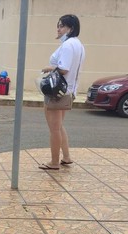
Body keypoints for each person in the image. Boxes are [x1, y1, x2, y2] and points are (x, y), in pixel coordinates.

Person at [39, 14, 85, 170]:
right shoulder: (78, 44)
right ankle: (66, 157)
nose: (58, 29)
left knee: (54, 129)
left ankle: (54, 162)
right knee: (59, 126)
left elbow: (64, 69)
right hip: (68, 91)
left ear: (70, 28)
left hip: (58, 91)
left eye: (61, 26)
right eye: (58, 25)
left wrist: (48, 68)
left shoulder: (67, 45)